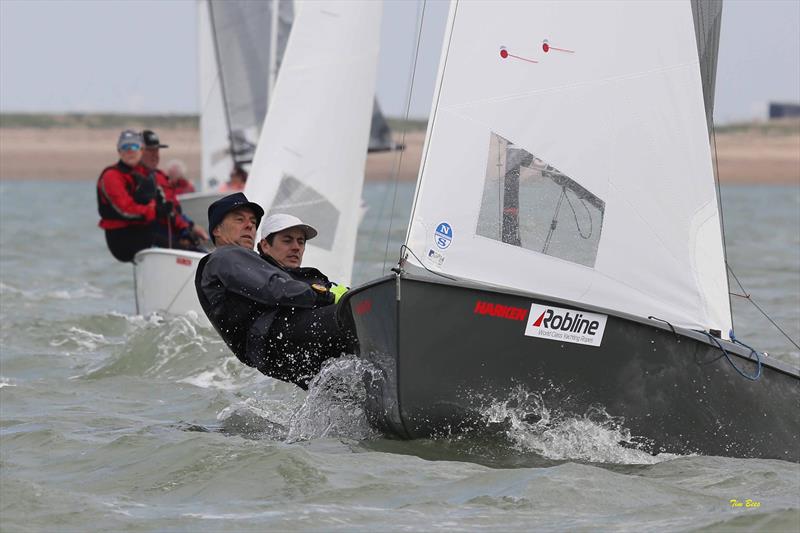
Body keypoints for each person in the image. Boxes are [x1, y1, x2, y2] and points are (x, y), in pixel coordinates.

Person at [194, 193, 354, 389]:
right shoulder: (225, 256)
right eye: (239, 219)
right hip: (275, 336)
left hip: (271, 352)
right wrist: (326, 296)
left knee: (342, 383)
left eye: (253, 221)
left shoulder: (243, 260)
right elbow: (274, 288)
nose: (249, 225)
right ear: (217, 229)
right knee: (357, 317)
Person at [97, 129, 165, 262]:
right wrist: (154, 211)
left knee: (185, 242)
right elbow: (125, 209)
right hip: (122, 239)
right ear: (119, 151)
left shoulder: (147, 173)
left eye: (134, 146)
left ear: (141, 149)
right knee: (174, 245)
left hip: (143, 231)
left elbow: (158, 201)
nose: (130, 151)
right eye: (125, 147)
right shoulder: (111, 176)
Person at [140, 129, 209, 248]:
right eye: (150, 150)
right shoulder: (131, 178)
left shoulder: (160, 177)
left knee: (200, 250)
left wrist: (188, 228)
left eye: (156, 150)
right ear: (138, 152)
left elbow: (174, 211)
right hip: (150, 238)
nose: (155, 155)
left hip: (168, 234)